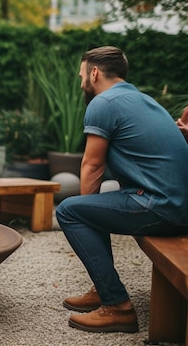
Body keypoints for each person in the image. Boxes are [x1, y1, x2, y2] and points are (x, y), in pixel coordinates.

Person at [56, 46, 188, 333]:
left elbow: (92, 167)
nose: (81, 83)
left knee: (70, 210)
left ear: (94, 72)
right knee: (96, 203)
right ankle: (103, 287)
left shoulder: (103, 103)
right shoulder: (143, 100)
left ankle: (117, 306)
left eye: (81, 75)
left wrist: (83, 215)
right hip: (179, 205)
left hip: (162, 206)